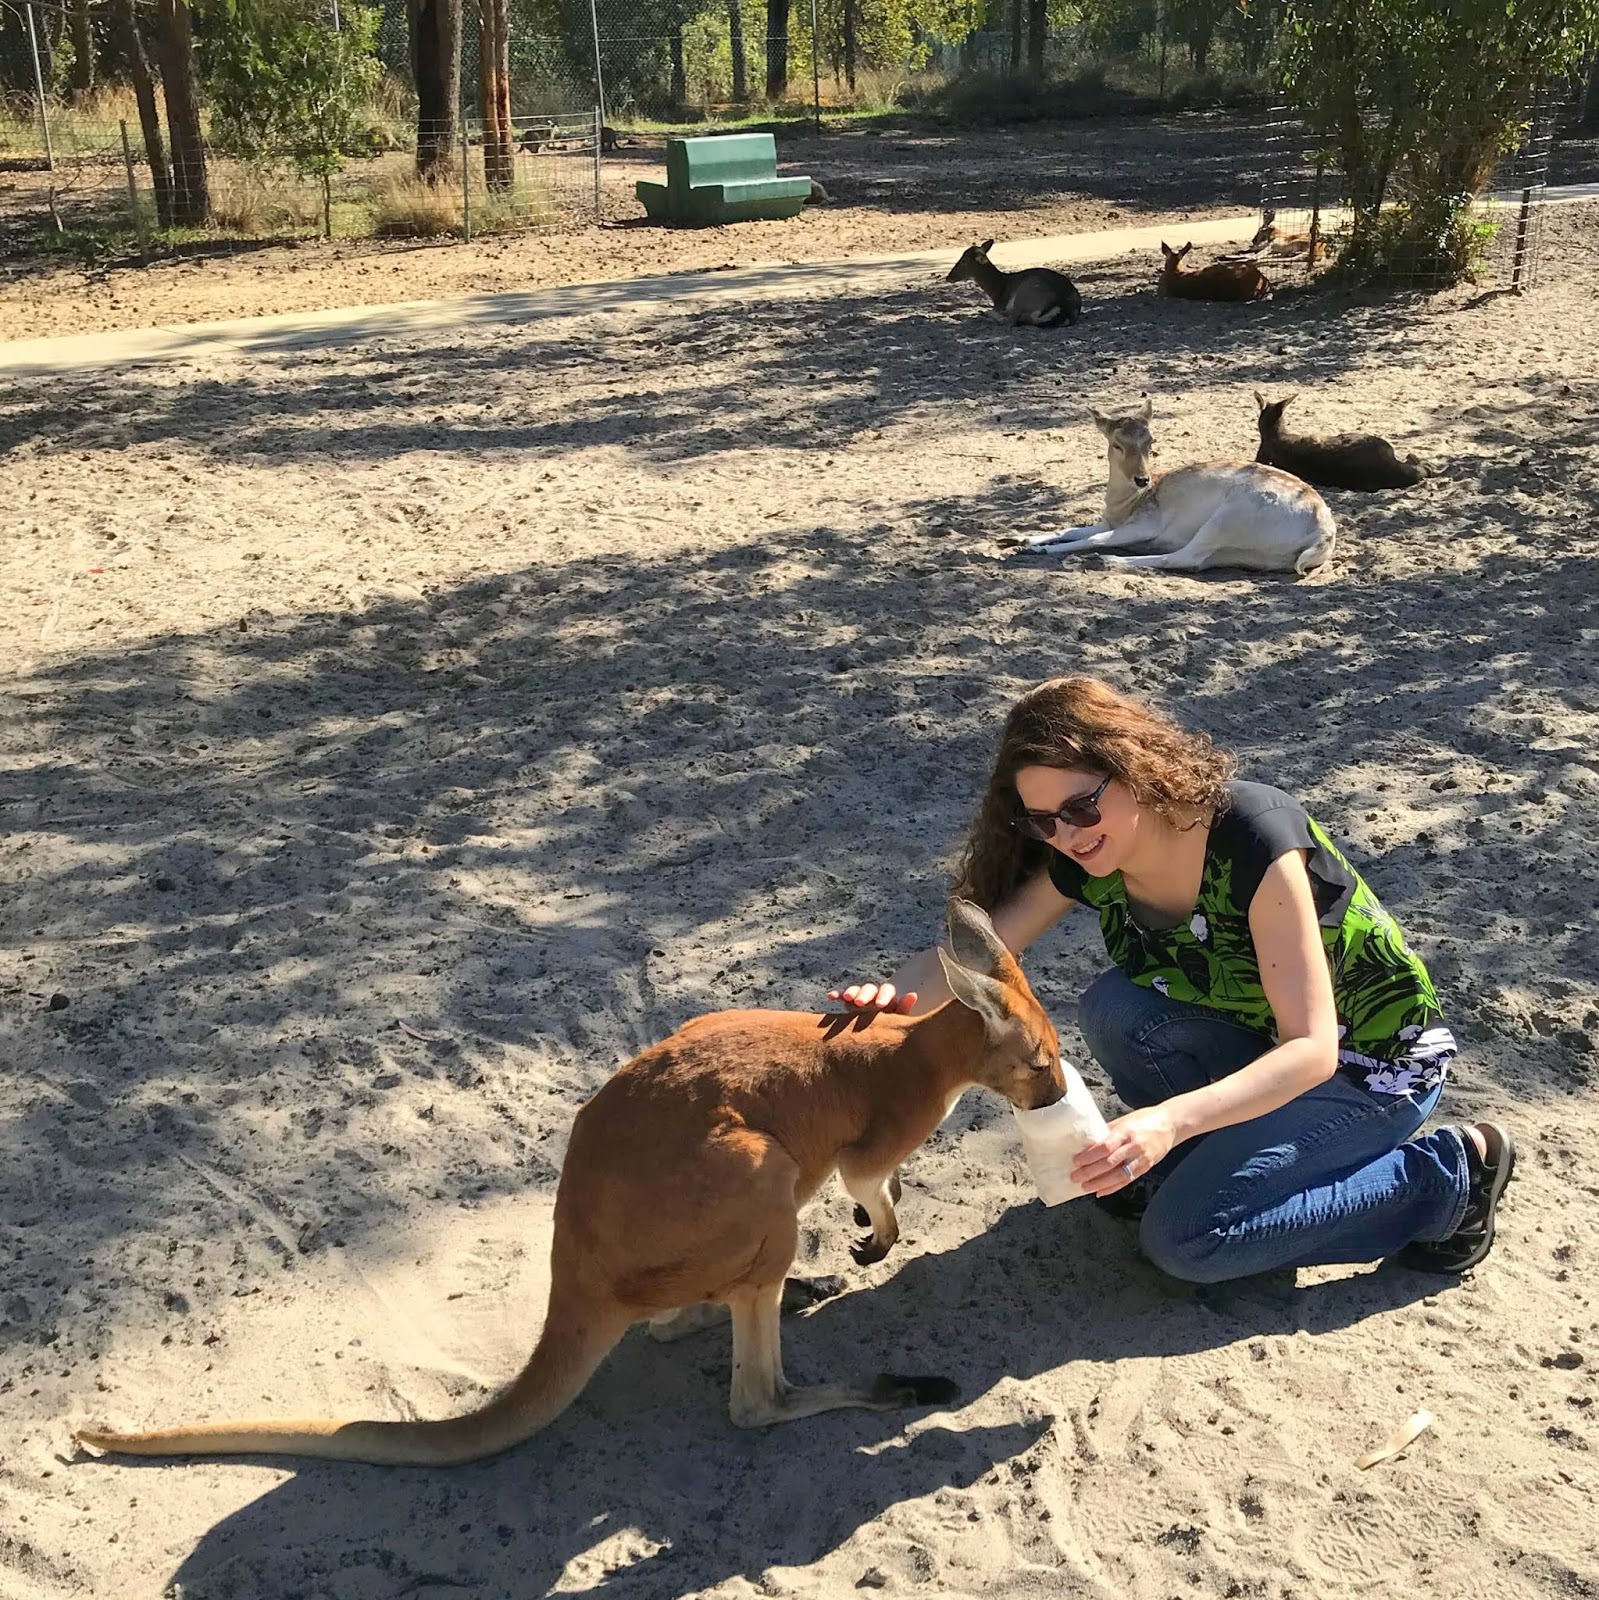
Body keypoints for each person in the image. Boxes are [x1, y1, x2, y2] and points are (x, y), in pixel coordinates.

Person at [830, 675, 1515, 1282]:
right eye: (1041, 821)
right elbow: (978, 951)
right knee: (1117, 1009)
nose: (1066, 834)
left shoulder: (1253, 838)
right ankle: (1210, 1161)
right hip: (1258, 1041)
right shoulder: (1085, 859)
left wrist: (1169, 1121)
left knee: (1188, 1241)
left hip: (1372, 1064)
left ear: (1132, 768)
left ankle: (1447, 1178)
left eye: (1080, 807)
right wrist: (888, 1002)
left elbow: (1312, 1049)